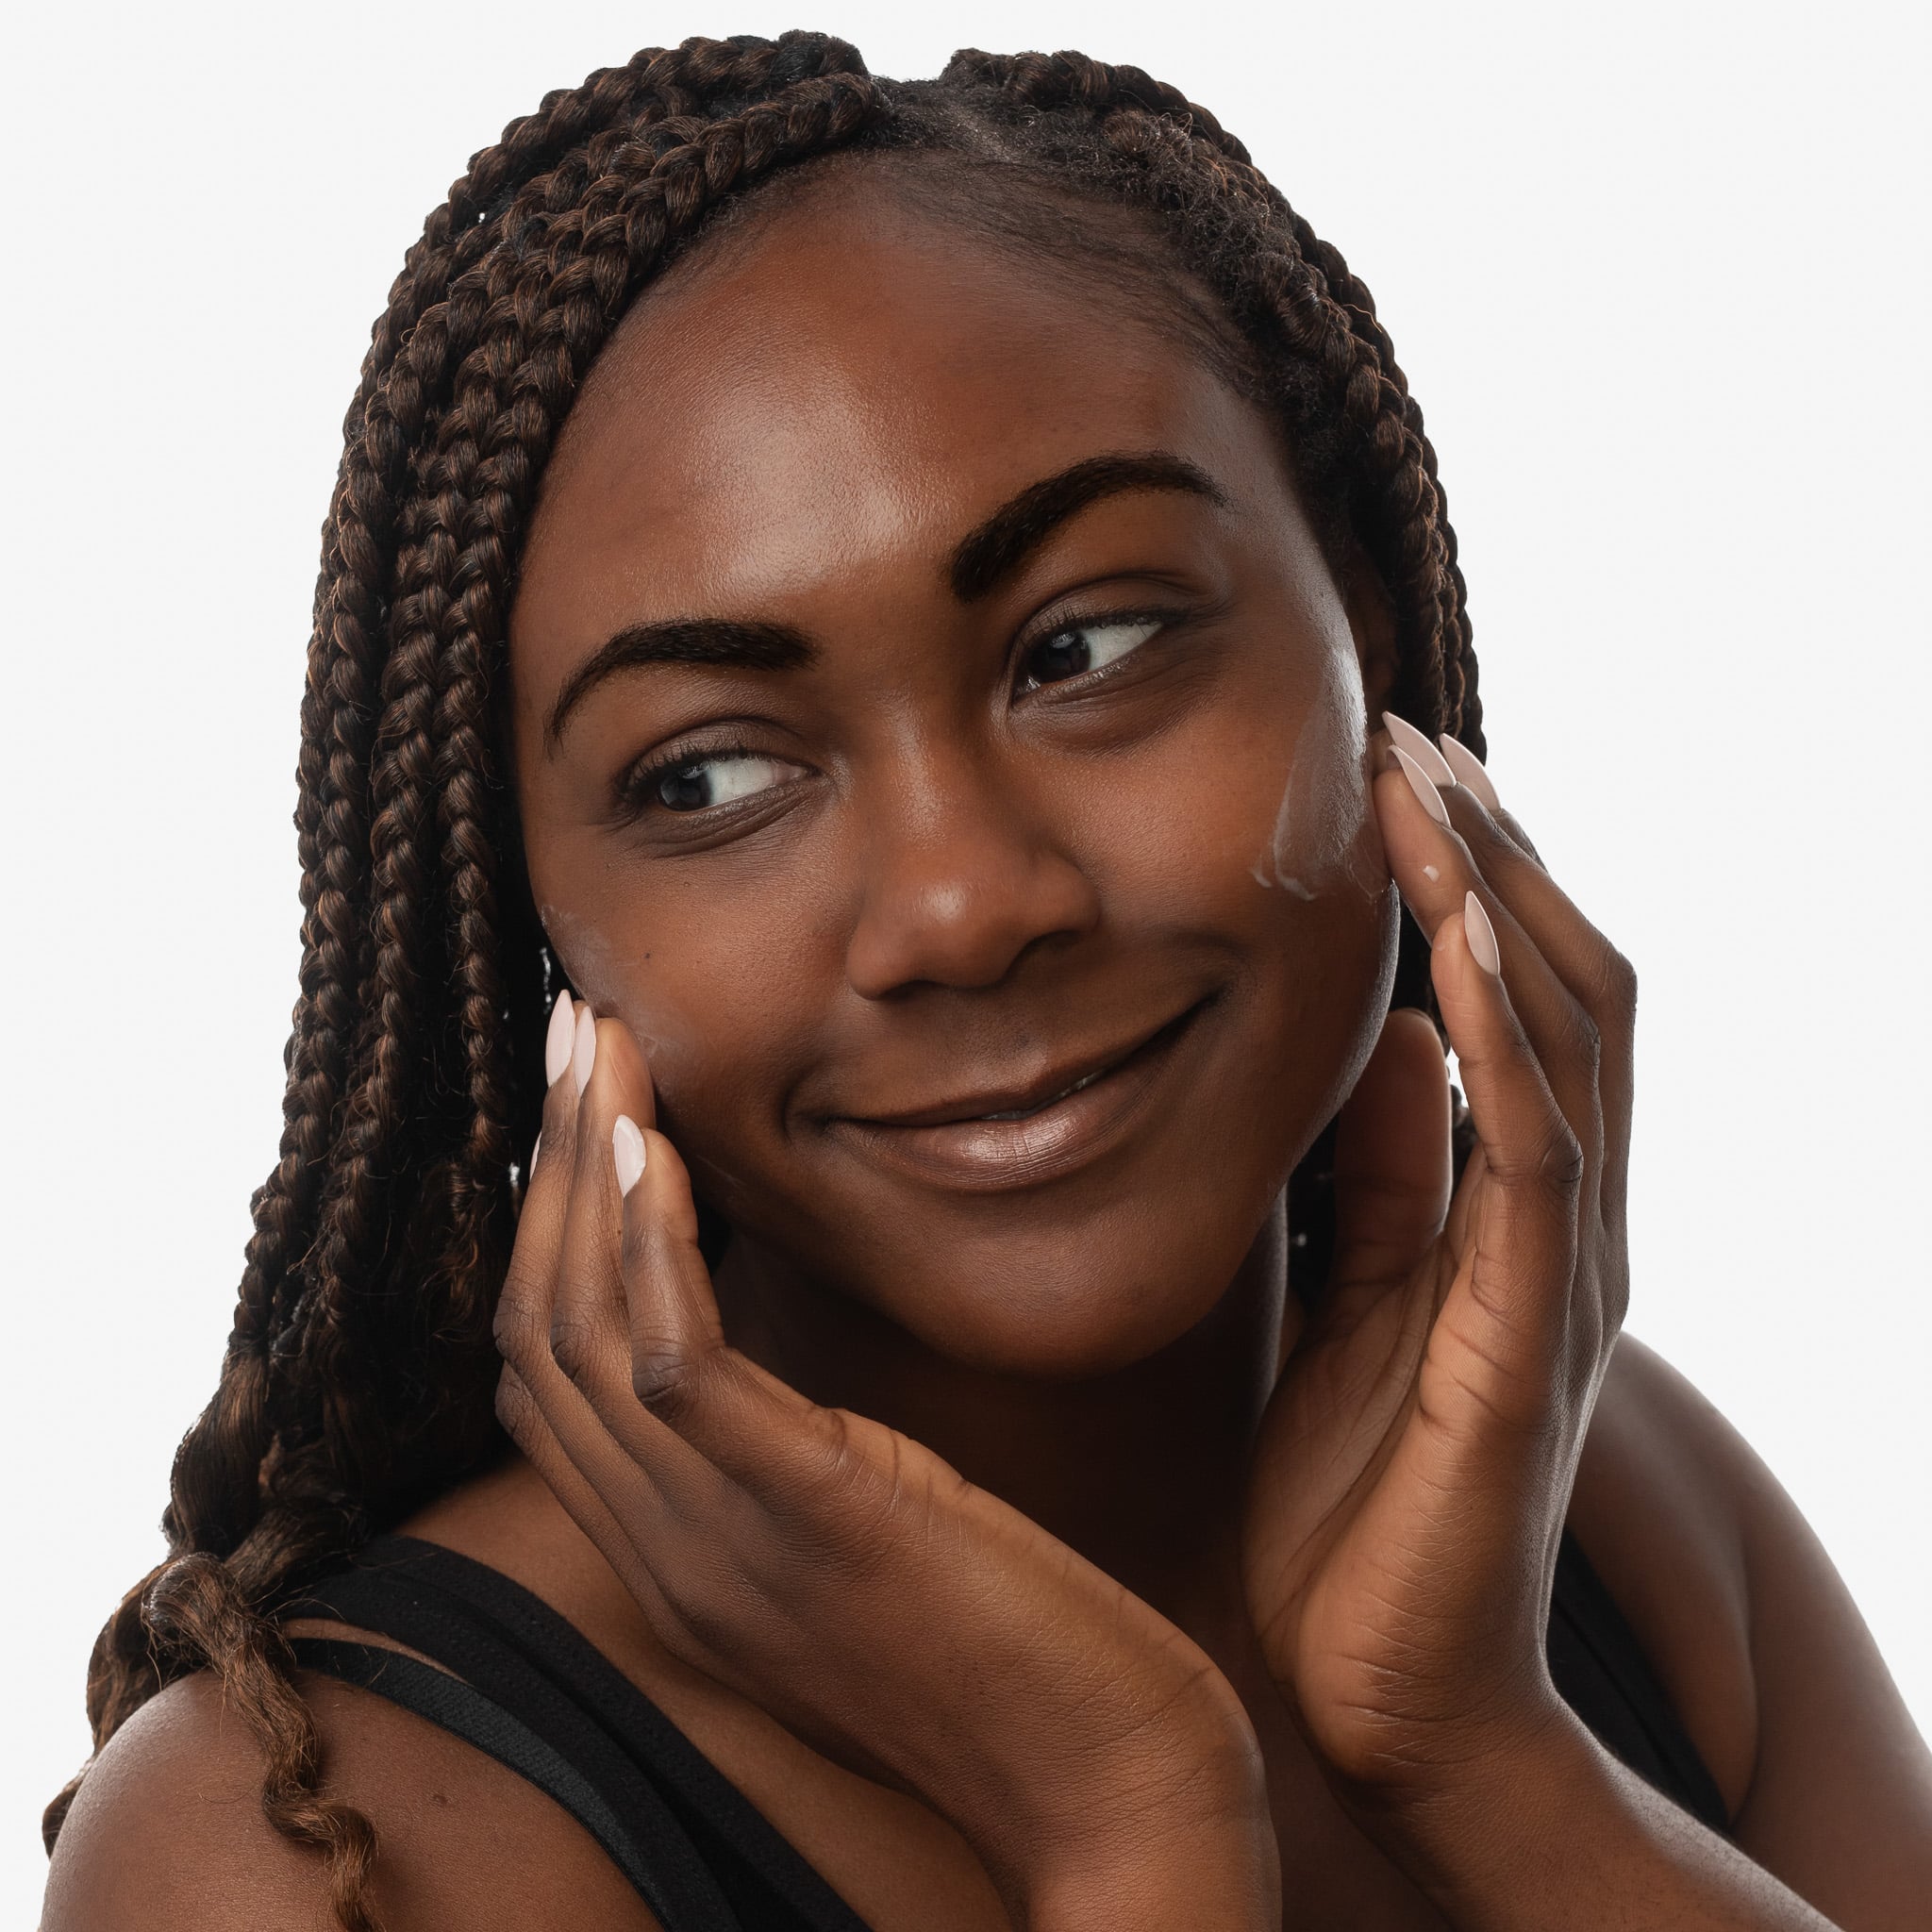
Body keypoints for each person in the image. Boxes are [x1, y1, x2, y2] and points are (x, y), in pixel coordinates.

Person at [37, 30, 1932, 1932]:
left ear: (1361, 627)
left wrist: (1479, 1752)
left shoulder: (1617, 1516)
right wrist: (1134, 1820)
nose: (958, 904)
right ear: (524, 909)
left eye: (1087, 645)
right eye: (706, 774)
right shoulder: (314, 1848)